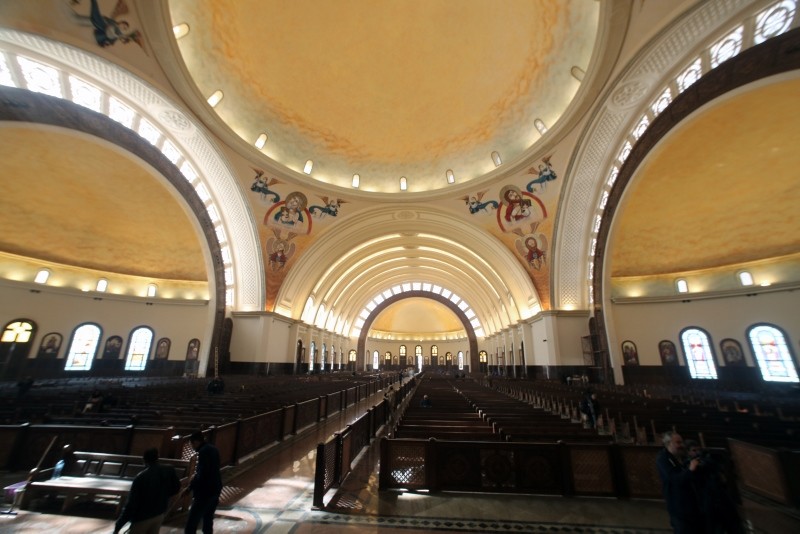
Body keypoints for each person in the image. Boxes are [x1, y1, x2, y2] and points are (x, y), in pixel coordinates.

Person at [114, 447, 181, 534]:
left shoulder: (141, 477)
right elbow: (176, 488)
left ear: (144, 460)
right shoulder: (169, 470)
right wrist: (164, 497)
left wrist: (119, 525)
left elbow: (131, 504)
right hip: (159, 513)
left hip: (142, 517)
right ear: (158, 457)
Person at [685, 440, 745, 534]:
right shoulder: (688, 465)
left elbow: (714, 467)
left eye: (698, 449)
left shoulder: (707, 459)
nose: (697, 452)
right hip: (706, 503)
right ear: (688, 452)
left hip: (721, 498)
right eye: (693, 450)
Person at [656, 431, 704, 533]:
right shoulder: (663, 459)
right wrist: (690, 469)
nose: (681, 445)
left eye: (681, 442)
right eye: (678, 443)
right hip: (678, 504)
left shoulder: (681, 455)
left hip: (691, 502)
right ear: (669, 443)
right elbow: (674, 479)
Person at [185, 431, 223, 534]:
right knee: (208, 519)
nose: (192, 447)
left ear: (196, 442)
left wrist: (190, 487)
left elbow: (202, 474)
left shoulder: (203, 452)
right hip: (216, 488)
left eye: (192, 444)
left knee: (192, 523)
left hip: (205, 492)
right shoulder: (213, 448)